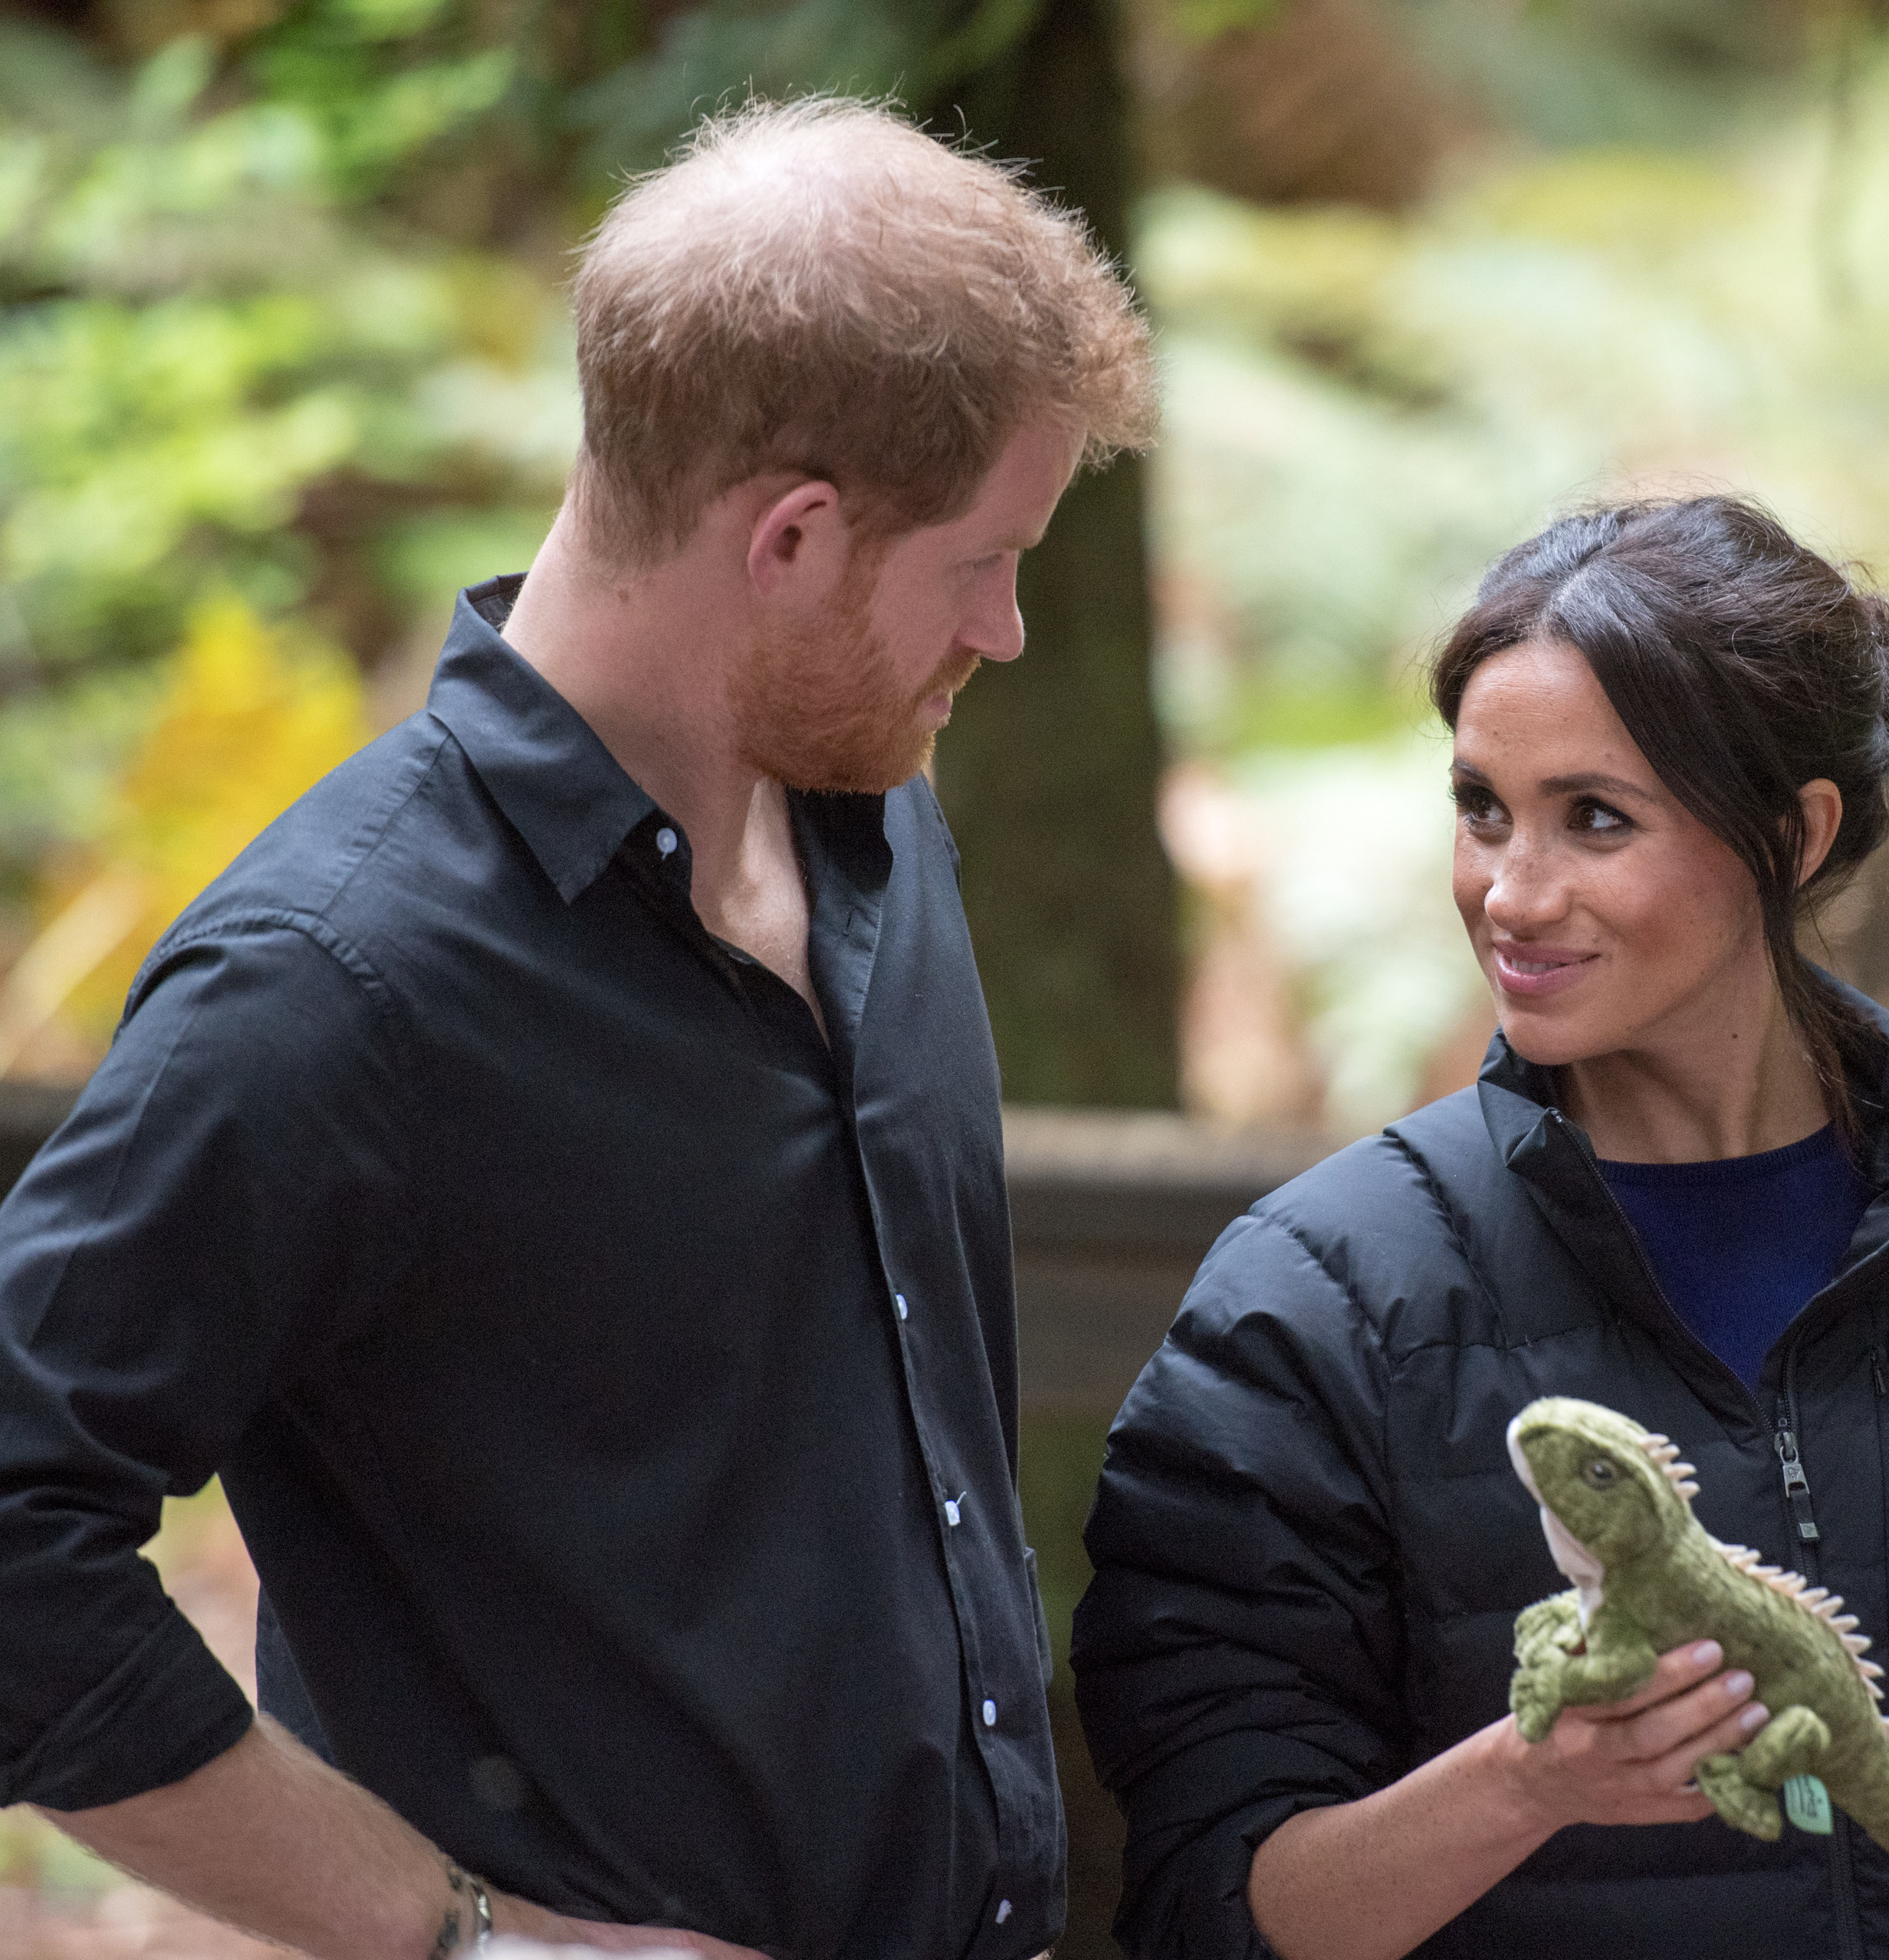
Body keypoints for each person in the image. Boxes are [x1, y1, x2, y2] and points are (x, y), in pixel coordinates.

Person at [0, 97, 1155, 1960]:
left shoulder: (874, 799)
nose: (1009, 632)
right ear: (790, 538)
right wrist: (457, 1937)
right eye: (980, 565)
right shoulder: (328, 985)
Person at [1071, 496, 1889, 1960]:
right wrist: (1533, 1781)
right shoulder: (1316, 1302)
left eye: (1595, 817)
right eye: (1481, 808)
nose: (1511, 892)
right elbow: (1218, 1905)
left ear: (1792, 835)